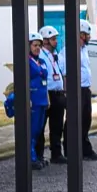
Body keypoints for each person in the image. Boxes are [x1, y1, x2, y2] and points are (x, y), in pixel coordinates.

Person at [60, 19, 97, 161]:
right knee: (73, 121)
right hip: (75, 90)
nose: (89, 38)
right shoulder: (68, 50)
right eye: (86, 35)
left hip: (85, 89)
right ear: (80, 34)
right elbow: (65, 72)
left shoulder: (84, 50)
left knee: (86, 120)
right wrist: (67, 92)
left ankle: (85, 150)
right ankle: (69, 151)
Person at [37, 25, 67, 164]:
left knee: (57, 126)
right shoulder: (41, 55)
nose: (56, 42)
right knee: (41, 125)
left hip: (58, 94)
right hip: (47, 94)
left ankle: (56, 154)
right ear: (45, 41)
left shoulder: (54, 56)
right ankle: (39, 155)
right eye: (53, 39)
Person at [28, 32, 49, 171]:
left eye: (39, 45)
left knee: (39, 130)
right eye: (35, 45)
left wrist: (47, 98)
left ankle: (36, 156)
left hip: (42, 100)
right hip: (33, 100)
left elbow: (45, 81)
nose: (37, 48)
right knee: (32, 129)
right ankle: (31, 158)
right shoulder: (26, 61)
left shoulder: (41, 61)